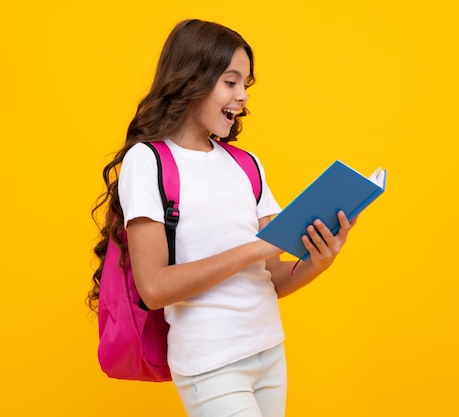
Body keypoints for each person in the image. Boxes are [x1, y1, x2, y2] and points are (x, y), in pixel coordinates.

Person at [88, 19, 356, 417]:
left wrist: (318, 262)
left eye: (246, 84)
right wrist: (251, 250)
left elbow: (272, 277)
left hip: (268, 351)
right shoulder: (148, 162)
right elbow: (155, 288)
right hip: (210, 362)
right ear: (191, 80)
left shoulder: (246, 165)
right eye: (230, 83)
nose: (242, 97)